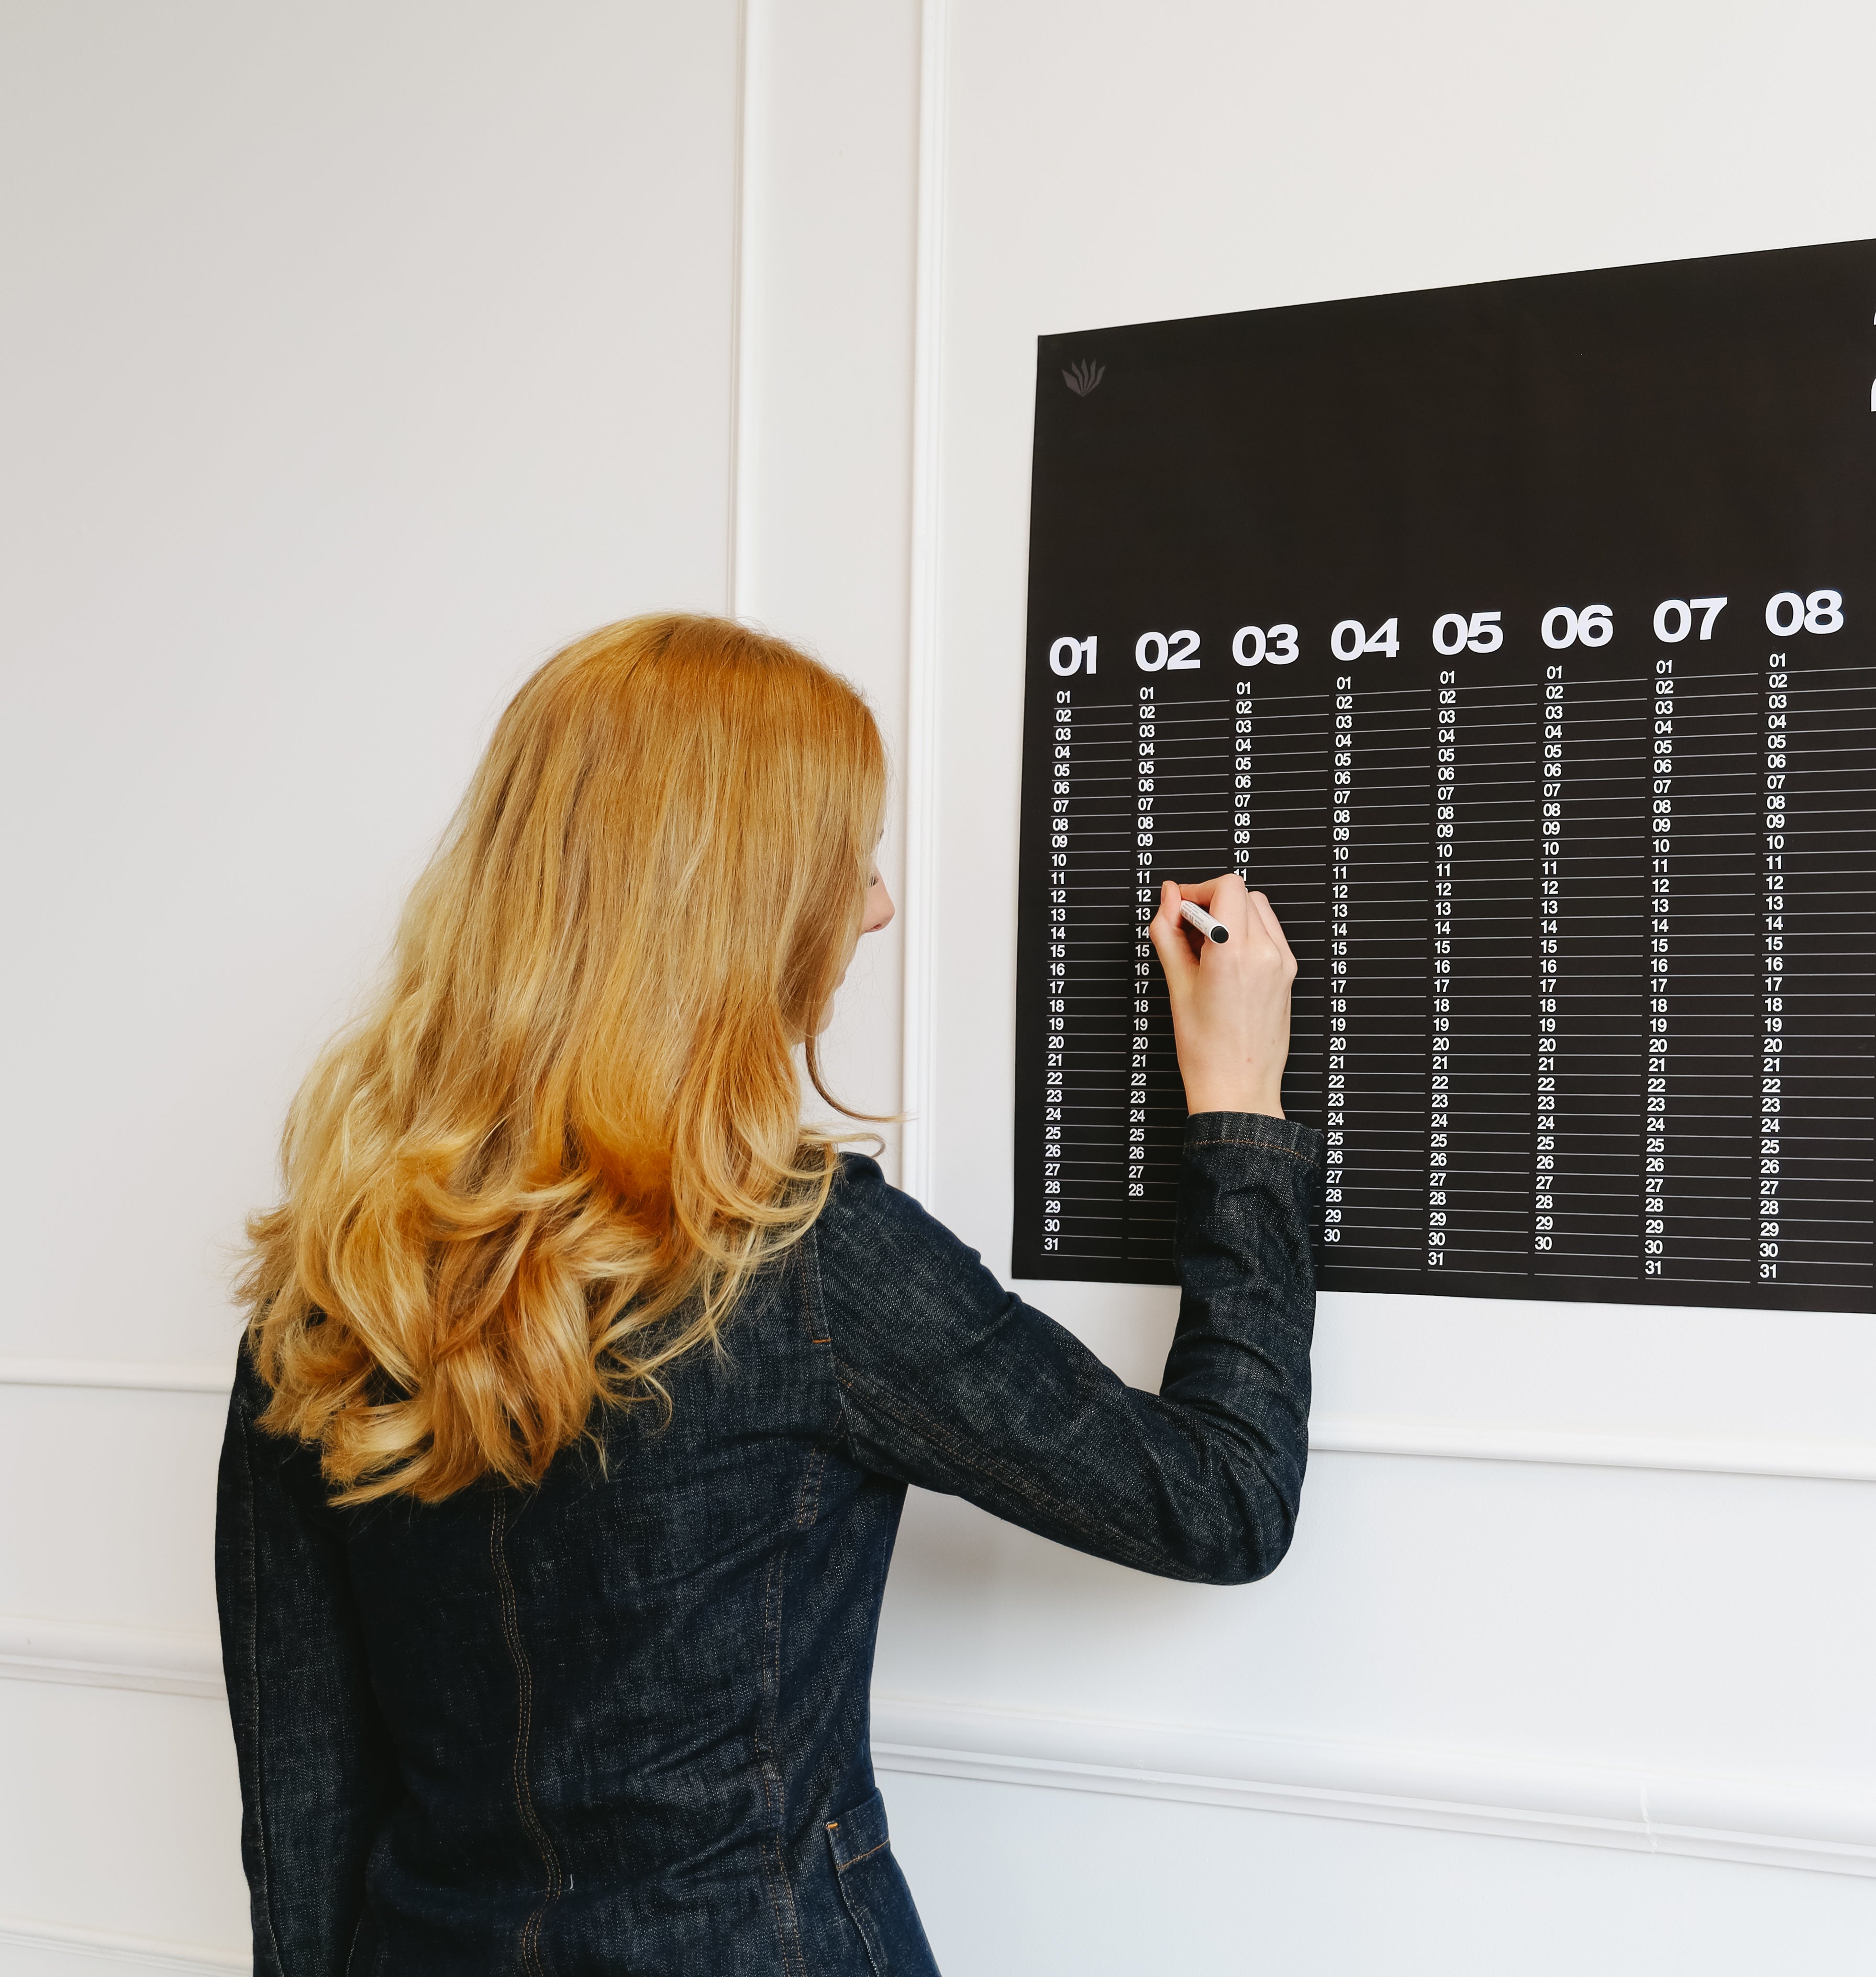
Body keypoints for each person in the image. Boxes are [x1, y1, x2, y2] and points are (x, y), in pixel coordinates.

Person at [215, 613, 1312, 1975]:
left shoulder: (332, 1277)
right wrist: (1240, 1106)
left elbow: (303, 1804)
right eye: (851, 862)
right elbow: (1221, 1498)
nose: (876, 907)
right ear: (739, 905)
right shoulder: (803, 1257)